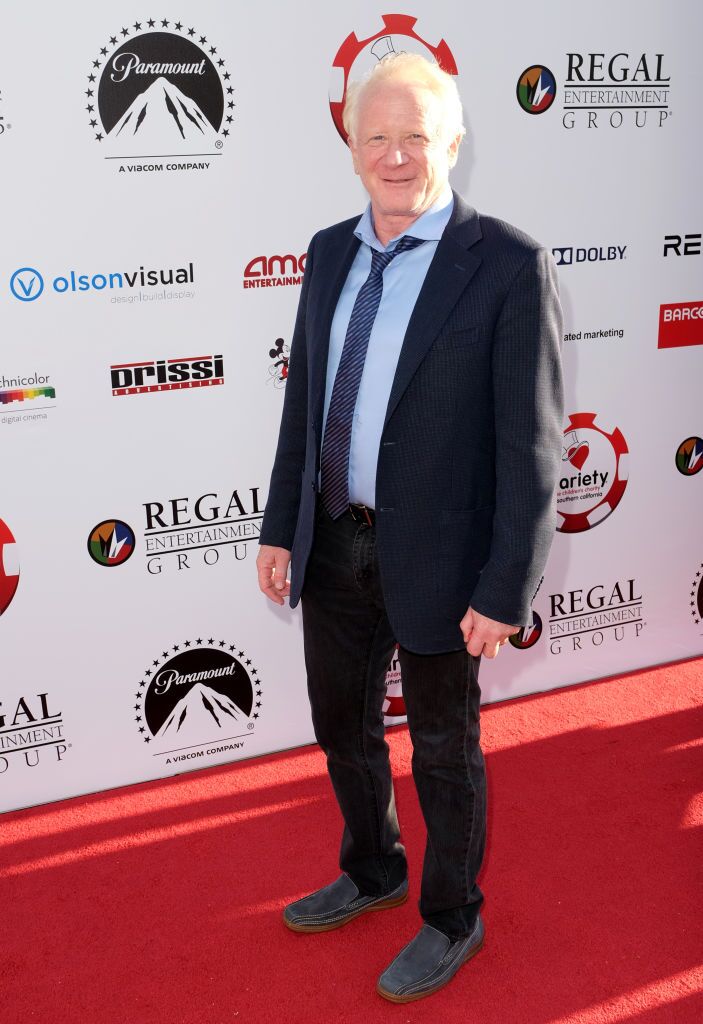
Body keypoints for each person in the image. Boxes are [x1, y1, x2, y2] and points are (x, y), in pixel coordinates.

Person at [257, 52, 563, 1004]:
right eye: (375, 136)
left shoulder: (508, 265)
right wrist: (281, 525)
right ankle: (374, 868)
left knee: (442, 747)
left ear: (454, 145)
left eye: (415, 136)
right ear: (349, 146)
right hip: (336, 539)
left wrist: (504, 585)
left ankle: (449, 916)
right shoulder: (328, 252)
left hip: (445, 556)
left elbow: (531, 446)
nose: (395, 156)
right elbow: (304, 399)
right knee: (340, 730)